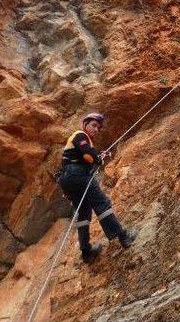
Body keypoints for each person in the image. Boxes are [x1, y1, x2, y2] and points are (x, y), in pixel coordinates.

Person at [58, 112, 136, 263]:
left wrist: (97, 158)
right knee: (102, 204)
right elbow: (88, 155)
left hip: (68, 180)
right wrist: (98, 159)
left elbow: (86, 158)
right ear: (85, 124)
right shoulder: (80, 135)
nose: (96, 129)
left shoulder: (82, 142)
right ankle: (122, 237)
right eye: (93, 125)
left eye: (98, 128)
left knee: (83, 213)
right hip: (77, 175)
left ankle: (86, 252)